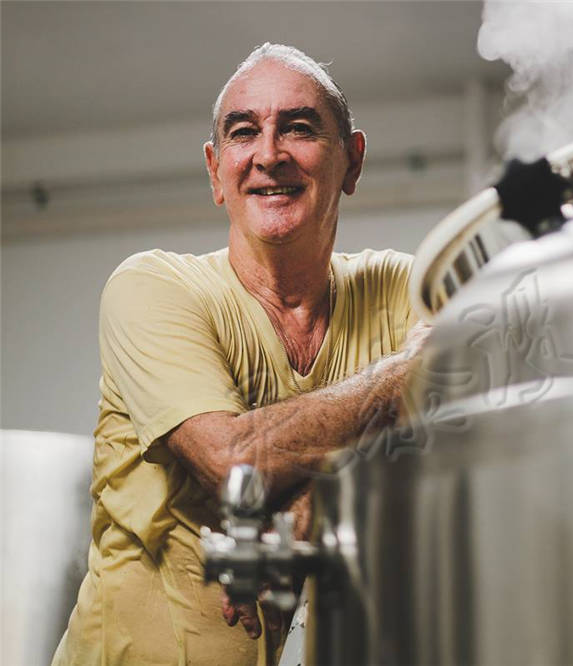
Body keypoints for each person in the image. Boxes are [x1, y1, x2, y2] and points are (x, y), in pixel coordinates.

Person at [52, 43, 427, 666]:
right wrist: (401, 383)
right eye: (244, 132)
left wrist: (321, 495)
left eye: (299, 128)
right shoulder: (153, 287)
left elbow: (481, 391)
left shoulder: (398, 286)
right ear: (215, 170)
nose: (269, 154)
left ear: (353, 161)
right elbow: (235, 466)